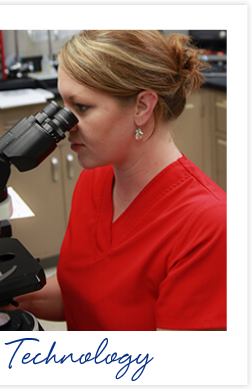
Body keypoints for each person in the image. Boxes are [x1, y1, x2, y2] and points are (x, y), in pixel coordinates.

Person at [12, 30, 226, 331]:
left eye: (82, 107)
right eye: (64, 105)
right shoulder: (95, 179)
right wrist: (0, 298)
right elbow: (79, 293)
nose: (65, 127)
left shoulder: (209, 225)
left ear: (142, 107)